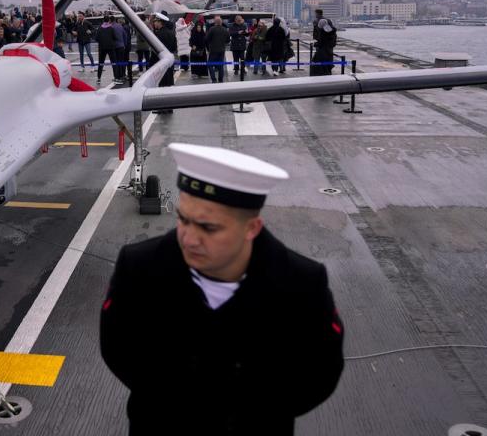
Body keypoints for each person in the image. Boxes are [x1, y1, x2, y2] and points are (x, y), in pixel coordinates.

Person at [100, 143, 344, 435]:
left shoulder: (302, 284)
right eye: (183, 219)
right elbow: (117, 348)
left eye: (209, 228)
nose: (189, 239)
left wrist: (256, 413)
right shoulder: (139, 267)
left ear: (251, 228)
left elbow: (321, 372)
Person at [311, 10, 337, 77]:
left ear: (318, 14)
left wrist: (317, 43)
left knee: (321, 60)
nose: (315, 15)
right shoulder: (325, 23)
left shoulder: (324, 22)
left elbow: (322, 38)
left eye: (316, 13)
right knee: (327, 59)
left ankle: (324, 73)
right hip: (327, 46)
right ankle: (327, 72)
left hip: (324, 47)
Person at [206, 15, 230, 83]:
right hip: (222, 50)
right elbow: (228, 40)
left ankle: (214, 79)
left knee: (210, 65)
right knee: (220, 65)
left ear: (215, 22)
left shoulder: (212, 29)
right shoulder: (225, 29)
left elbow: (207, 39)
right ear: (221, 22)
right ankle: (220, 79)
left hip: (213, 50)